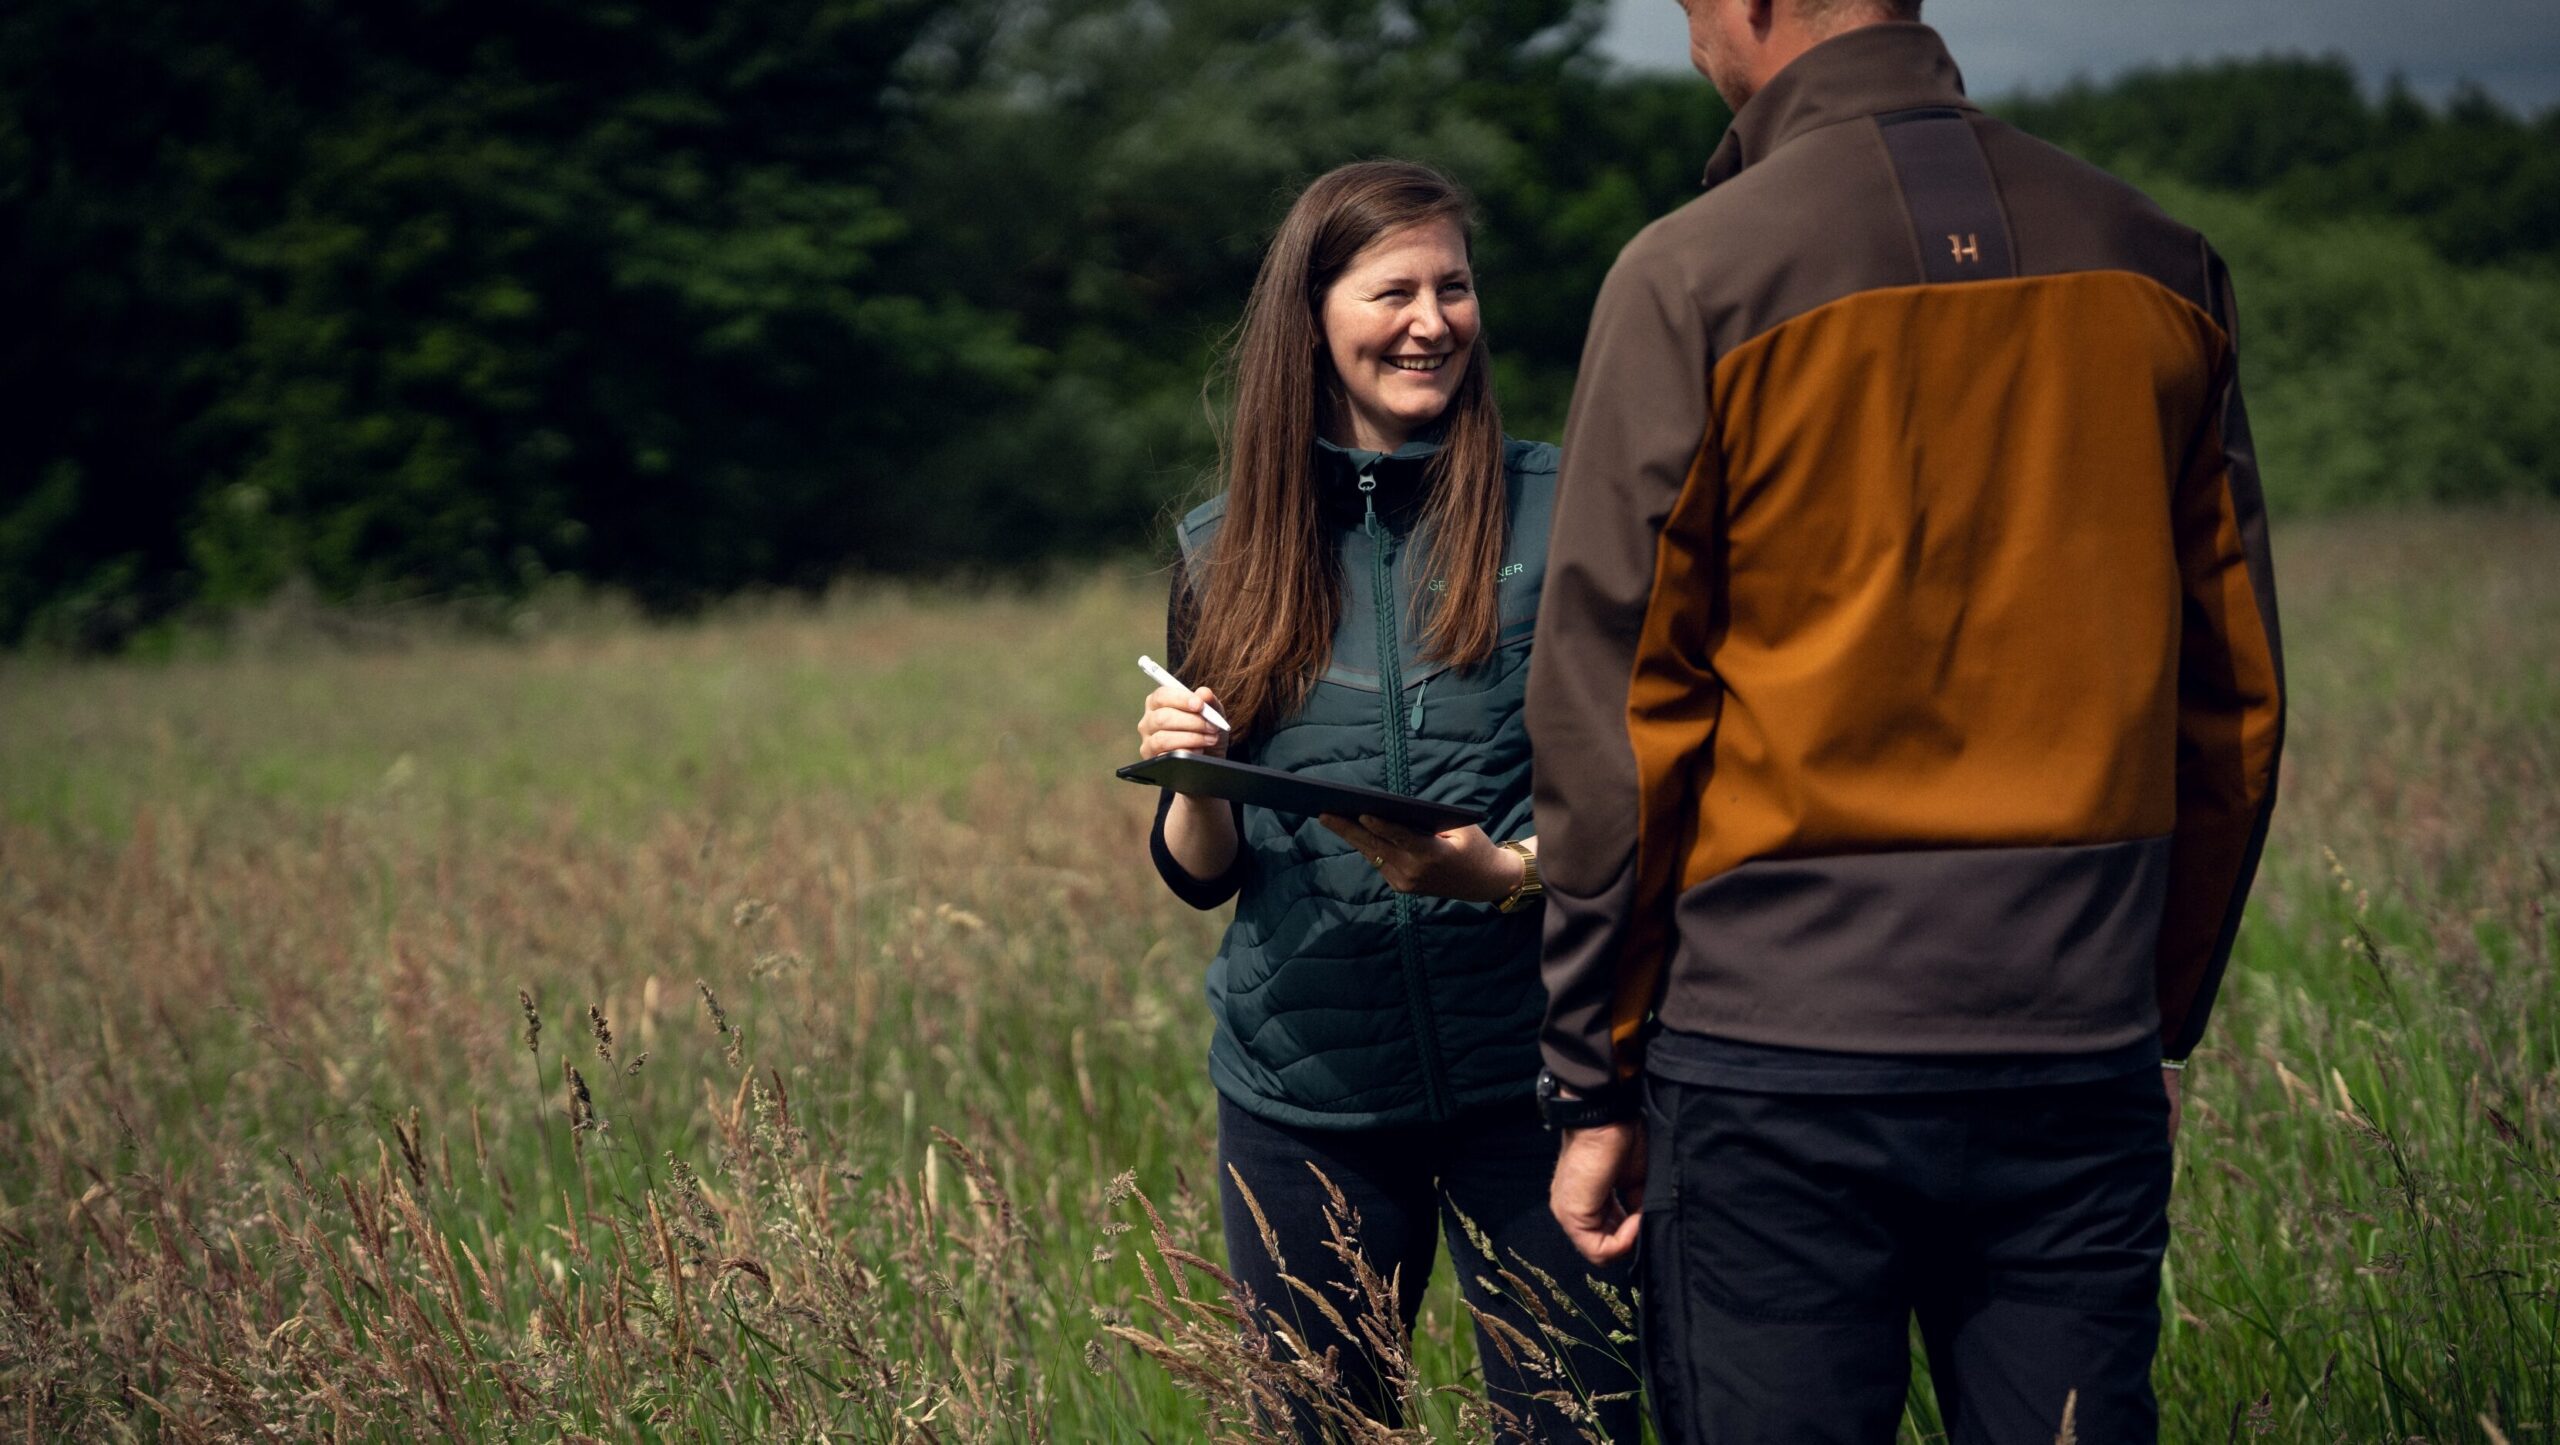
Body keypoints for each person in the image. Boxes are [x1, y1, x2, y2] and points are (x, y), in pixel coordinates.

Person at [1524, 3, 2285, 1443]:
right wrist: (2145, 1013)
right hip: (2077, 1040)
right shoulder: (2157, 258)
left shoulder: (1691, 273)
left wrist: (1590, 1072)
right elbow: (2233, 696)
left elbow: (1619, 714)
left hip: (1774, 1062)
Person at [1135, 159, 1643, 1442]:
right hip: (1303, 1093)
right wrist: (1188, 770)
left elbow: (1654, 791)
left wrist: (1511, 874)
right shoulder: (1221, 544)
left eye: (1453, 287)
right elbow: (1203, 867)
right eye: (1393, 291)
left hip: (1540, 1079)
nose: (1431, 322)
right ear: (1311, 318)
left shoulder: (1566, 508)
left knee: (1576, 1426)